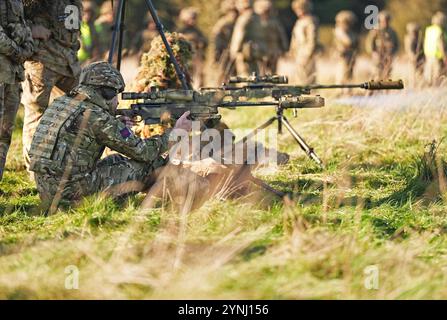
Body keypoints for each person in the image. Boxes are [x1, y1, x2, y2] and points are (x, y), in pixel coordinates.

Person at [29, 61, 193, 213]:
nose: (117, 102)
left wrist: (116, 126)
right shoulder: (97, 116)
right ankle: (185, 198)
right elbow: (143, 152)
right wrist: (177, 132)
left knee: (116, 160)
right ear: (106, 92)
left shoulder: (61, 103)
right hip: (71, 196)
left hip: (47, 191)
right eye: (116, 94)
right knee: (146, 166)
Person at [22, 0, 83, 173]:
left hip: (69, 63)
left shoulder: (72, 3)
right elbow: (14, 20)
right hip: (41, 62)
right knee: (36, 115)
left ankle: (71, 164)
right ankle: (34, 170)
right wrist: (32, 31)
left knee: (83, 108)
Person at [0, 0, 34, 181]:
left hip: (12, 76)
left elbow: (24, 29)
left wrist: (25, 48)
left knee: (4, 134)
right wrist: (17, 51)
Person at [229, 0, 267, 76]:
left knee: (244, 75)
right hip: (257, 52)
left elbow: (239, 36)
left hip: (246, 54)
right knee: (255, 75)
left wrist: (233, 51)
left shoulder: (244, 18)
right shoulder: (257, 17)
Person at [289, 0, 320, 85]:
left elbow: (312, 38)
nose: (297, 12)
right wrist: (292, 50)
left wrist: (309, 52)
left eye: (299, 9)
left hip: (306, 51)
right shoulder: (299, 21)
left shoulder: (310, 21)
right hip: (299, 51)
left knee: (308, 75)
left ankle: (309, 94)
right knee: (299, 74)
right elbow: (295, 38)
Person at [254, 0, 288, 75]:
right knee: (262, 73)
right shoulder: (257, 23)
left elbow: (281, 37)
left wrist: (284, 49)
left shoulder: (273, 23)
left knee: (270, 74)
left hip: (271, 52)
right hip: (263, 52)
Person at [177, 7, 208, 88]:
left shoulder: (197, 31)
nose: (192, 21)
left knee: (199, 76)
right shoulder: (181, 31)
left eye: (194, 18)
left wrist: (201, 43)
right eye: (190, 19)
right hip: (185, 58)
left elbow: (205, 42)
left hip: (196, 57)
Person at [211, 0, 239, 84]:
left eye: (234, 12)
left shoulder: (239, 22)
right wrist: (216, 55)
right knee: (223, 75)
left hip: (236, 53)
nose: (233, 14)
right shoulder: (222, 24)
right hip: (225, 53)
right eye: (231, 12)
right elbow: (216, 40)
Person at [366, 11, 399, 80]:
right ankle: (376, 86)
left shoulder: (392, 31)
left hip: (388, 55)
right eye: (384, 20)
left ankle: (385, 87)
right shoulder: (375, 30)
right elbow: (370, 42)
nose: (385, 22)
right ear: (380, 20)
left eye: (387, 20)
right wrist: (373, 52)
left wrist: (394, 53)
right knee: (377, 72)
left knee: (387, 72)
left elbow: (396, 43)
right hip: (378, 55)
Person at [333, 10, 358, 84]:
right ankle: (342, 90)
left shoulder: (349, 32)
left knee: (349, 74)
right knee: (342, 74)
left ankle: (347, 90)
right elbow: (348, 42)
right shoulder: (339, 31)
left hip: (349, 56)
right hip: (342, 56)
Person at [424, 12, 447, 85]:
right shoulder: (439, 31)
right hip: (437, 56)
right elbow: (441, 45)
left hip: (428, 55)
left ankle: (428, 87)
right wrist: (444, 56)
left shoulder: (428, 30)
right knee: (437, 75)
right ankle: (435, 88)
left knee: (429, 75)